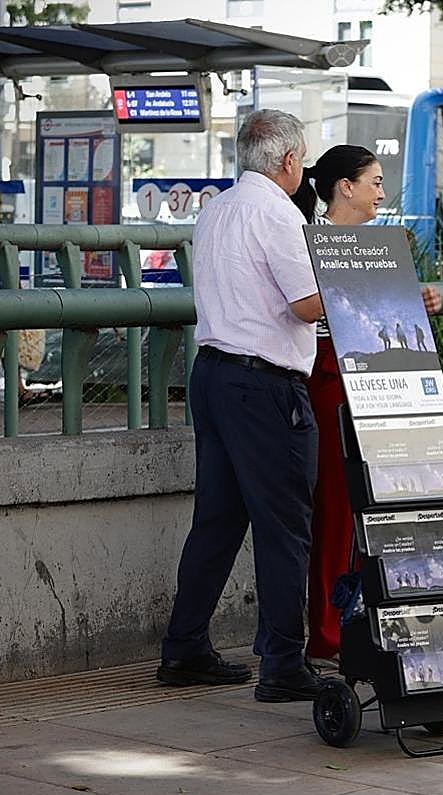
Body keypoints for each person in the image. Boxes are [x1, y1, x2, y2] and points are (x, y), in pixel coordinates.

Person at [156, 109, 326, 702]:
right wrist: (364, 287)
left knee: (218, 520)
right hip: (265, 385)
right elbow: (307, 304)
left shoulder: (218, 209)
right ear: (287, 161)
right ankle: (283, 664)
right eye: (301, 158)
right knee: (285, 528)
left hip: (214, 375)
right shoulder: (277, 213)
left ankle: (185, 647)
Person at [291, 143, 442, 668]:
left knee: (380, 502)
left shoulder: (378, 245)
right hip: (331, 375)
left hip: (380, 379)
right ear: (345, 187)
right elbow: (307, 310)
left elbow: (385, 313)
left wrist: (415, 297)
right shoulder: (310, 243)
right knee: (336, 506)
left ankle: (375, 615)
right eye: (374, 181)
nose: (382, 191)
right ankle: (328, 631)